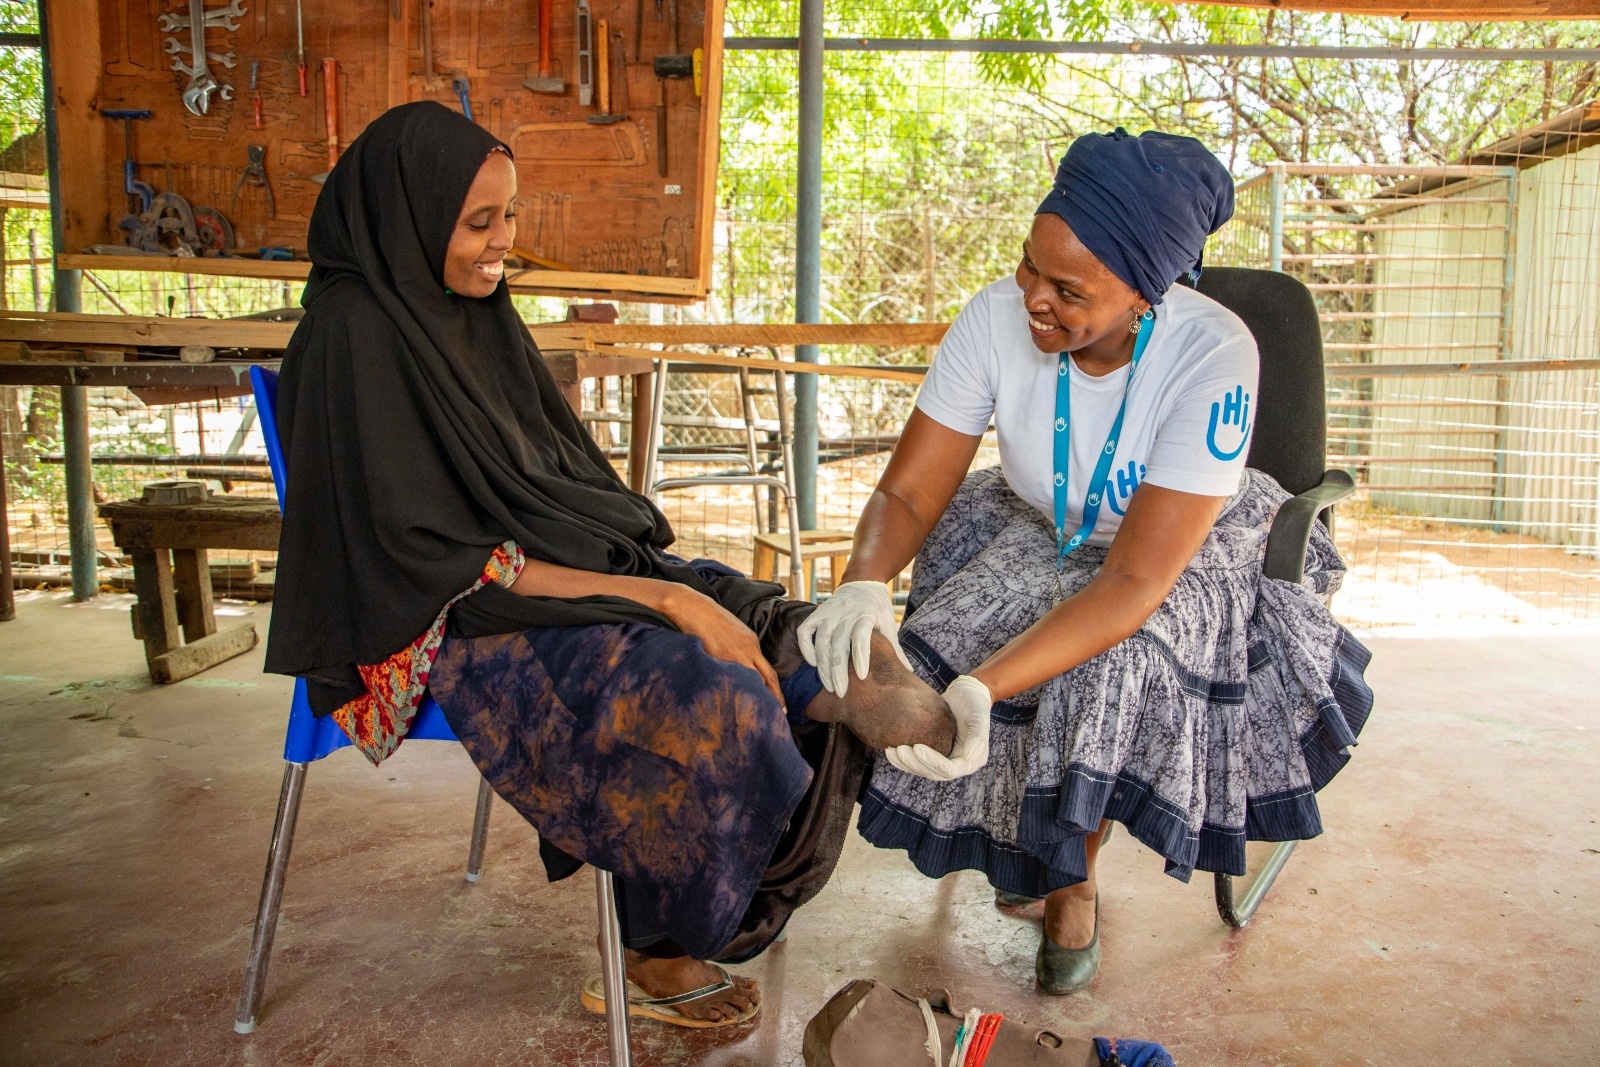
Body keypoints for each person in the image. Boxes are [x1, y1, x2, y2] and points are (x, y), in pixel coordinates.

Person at [264, 101, 960, 1029]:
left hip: (544, 574)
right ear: (410, 215)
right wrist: (665, 598)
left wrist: (675, 588)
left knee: (783, 626)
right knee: (705, 690)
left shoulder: (472, 315)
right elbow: (431, 556)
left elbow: (549, 485)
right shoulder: (352, 333)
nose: (502, 243)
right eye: (479, 222)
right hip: (447, 615)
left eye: (509, 216)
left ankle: (823, 675)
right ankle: (651, 955)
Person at [799, 128, 1374, 994]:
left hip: (1183, 544)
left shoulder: (1215, 354)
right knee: (942, 630)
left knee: (1106, 667)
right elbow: (911, 493)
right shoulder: (995, 317)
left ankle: (1072, 883)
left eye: (1068, 289)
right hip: (1042, 517)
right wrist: (864, 579)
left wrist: (979, 691)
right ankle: (1022, 837)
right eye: (1030, 265)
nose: (1032, 295)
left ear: (1147, 293)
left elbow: (1136, 582)